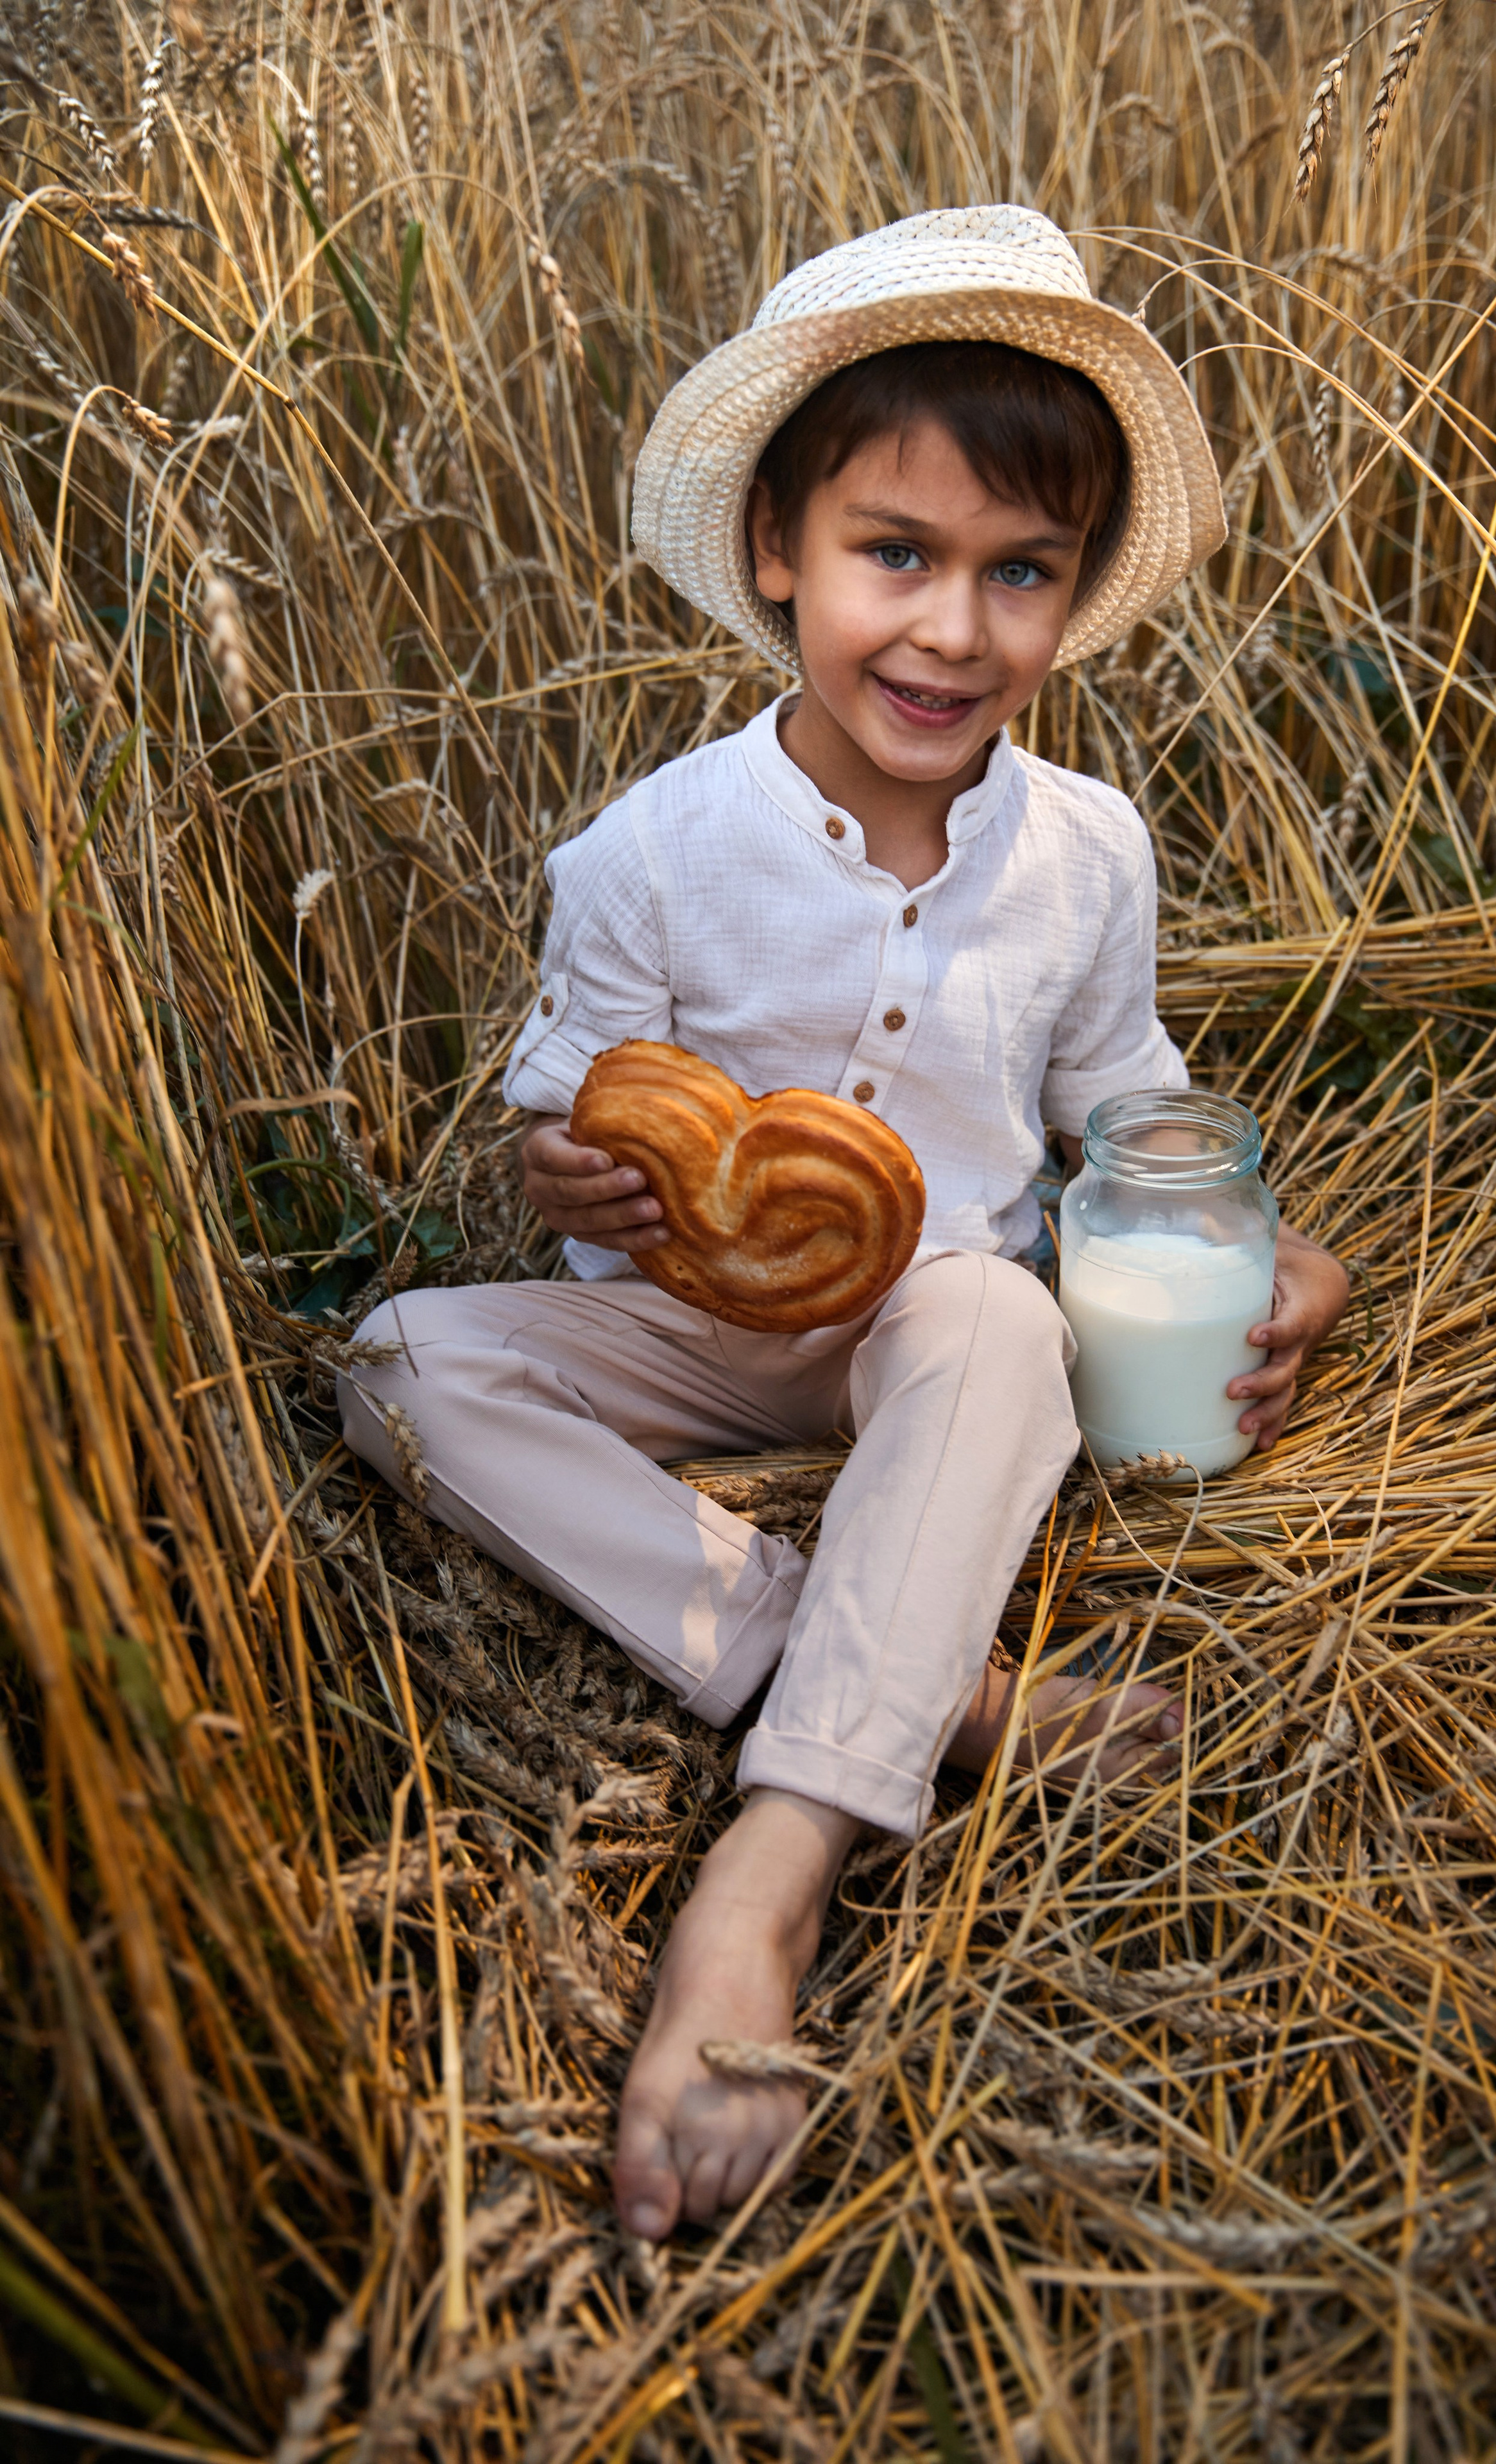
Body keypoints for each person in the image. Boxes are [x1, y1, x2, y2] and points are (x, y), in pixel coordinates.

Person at [339, 207, 1349, 2244]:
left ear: (1069, 595)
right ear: (782, 553)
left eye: (1018, 575)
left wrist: (1261, 1235)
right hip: (695, 1329)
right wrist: (569, 1173)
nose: (953, 632)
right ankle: (931, 1685)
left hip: (928, 1326)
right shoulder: (649, 853)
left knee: (991, 1313)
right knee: (402, 1362)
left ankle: (770, 1867)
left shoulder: (1086, 854)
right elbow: (571, 1093)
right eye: (897, 555)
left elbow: (1124, 1091)